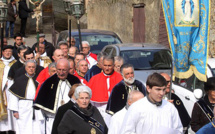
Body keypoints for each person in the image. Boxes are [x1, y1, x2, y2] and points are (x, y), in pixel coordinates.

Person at [34, 59, 80, 134]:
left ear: (69, 69)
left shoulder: (75, 81)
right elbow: (40, 103)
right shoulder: (48, 82)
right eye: (59, 70)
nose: (61, 73)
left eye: (64, 70)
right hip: (52, 118)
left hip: (70, 118)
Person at [8, 60, 43, 134]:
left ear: (35, 68)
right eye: (29, 67)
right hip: (23, 108)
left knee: (37, 128)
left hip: (36, 108)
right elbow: (14, 97)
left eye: (33, 67)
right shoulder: (19, 80)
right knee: (23, 128)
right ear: (25, 68)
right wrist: (15, 111)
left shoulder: (39, 80)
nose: (31, 69)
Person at [0, 45, 16, 134]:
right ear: (2, 52)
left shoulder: (15, 63)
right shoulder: (0, 63)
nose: (8, 53)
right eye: (6, 51)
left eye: (10, 51)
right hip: (2, 92)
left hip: (12, 92)